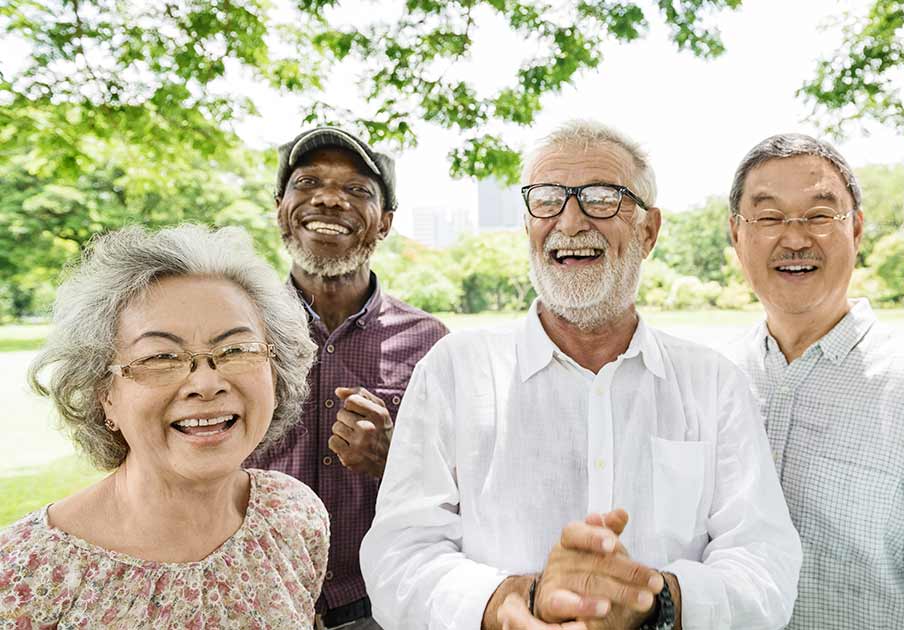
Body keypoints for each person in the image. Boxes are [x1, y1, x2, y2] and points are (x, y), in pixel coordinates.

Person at [360, 120, 802, 630]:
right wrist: (521, 599)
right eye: (546, 199)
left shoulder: (713, 384)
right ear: (528, 226)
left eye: (601, 197)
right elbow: (399, 557)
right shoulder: (454, 371)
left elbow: (765, 564)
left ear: (649, 231)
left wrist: (652, 602)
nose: (570, 222)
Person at [0, 225, 327, 627]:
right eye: (160, 358)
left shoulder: (293, 515)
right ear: (104, 393)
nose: (207, 383)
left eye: (237, 350)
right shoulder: (23, 576)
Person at [723, 133, 904, 630]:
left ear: (856, 229)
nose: (795, 239)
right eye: (769, 217)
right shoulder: (715, 381)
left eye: (818, 215)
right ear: (736, 234)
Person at [244, 126, 448, 629]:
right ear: (280, 207)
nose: (329, 199)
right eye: (308, 182)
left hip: (381, 609)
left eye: (357, 190)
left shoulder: (431, 342)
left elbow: (463, 492)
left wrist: (391, 458)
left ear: (385, 223)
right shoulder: (234, 328)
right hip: (252, 601)